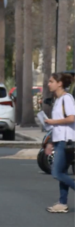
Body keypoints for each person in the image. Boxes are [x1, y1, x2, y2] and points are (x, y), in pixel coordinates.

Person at [44, 72, 75, 213]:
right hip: (59, 140)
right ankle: (62, 203)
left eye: (51, 81)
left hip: (66, 141)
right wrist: (50, 143)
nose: (48, 84)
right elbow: (56, 126)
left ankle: (62, 202)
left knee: (56, 173)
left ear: (60, 83)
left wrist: (52, 121)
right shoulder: (57, 100)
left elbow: (71, 118)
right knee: (62, 172)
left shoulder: (66, 99)